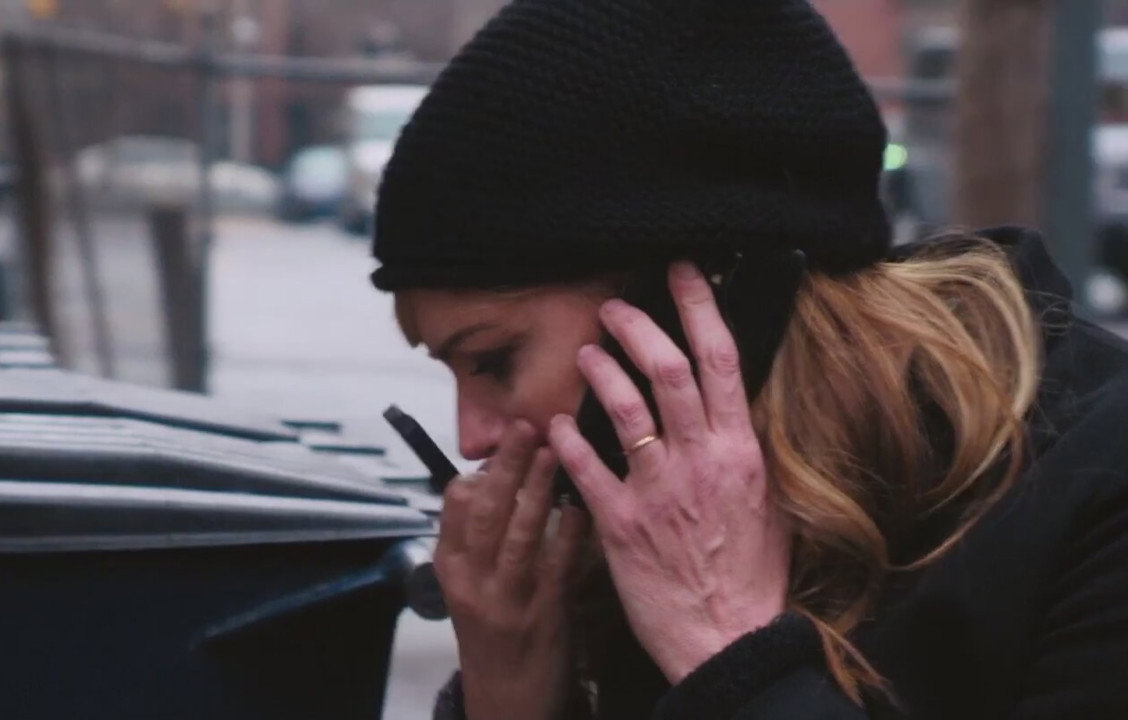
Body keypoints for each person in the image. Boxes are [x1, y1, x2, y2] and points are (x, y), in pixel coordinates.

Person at [368, 0, 1128, 718]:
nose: (472, 438)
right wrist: (512, 694)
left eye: (494, 361)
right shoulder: (642, 523)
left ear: (694, 303)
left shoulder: (1094, 494)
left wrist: (727, 648)